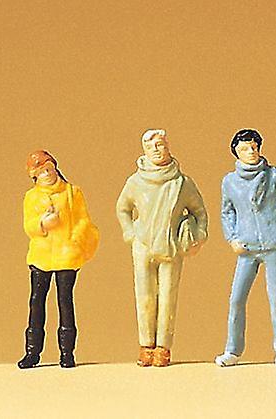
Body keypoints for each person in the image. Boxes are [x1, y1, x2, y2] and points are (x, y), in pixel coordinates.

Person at [117, 129, 208, 367]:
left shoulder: (182, 183)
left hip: (171, 246)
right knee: (144, 296)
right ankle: (145, 345)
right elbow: (123, 208)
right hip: (143, 245)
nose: (156, 150)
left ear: (167, 146)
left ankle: (163, 347)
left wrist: (198, 235)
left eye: (159, 145)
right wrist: (130, 233)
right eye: (151, 147)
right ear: (144, 151)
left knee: (168, 297)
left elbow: (199, 211)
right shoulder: (135, 182)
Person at [215, 129, 276, 367]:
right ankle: (232, 350)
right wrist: (232, 238)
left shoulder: (274, 175)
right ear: (236, 152)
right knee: (236, 299)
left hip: (273, 245)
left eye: (254, 147)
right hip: (246, 247)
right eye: (245, 148)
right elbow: (227, 212)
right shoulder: (229, 182)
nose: (251, 152)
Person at [19, 150, 99, 369]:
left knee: (65, 302)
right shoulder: (31, 197)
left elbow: (83, 220)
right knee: (36, 302)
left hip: (66, 254)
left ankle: (67, 352)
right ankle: (32, 352)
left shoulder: (72, 192)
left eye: (49, 169)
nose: (47, 174)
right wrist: (43, 224)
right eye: (41, 171)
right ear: (34, 176)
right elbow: (28, 225)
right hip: (41, 256)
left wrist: (74, 238)